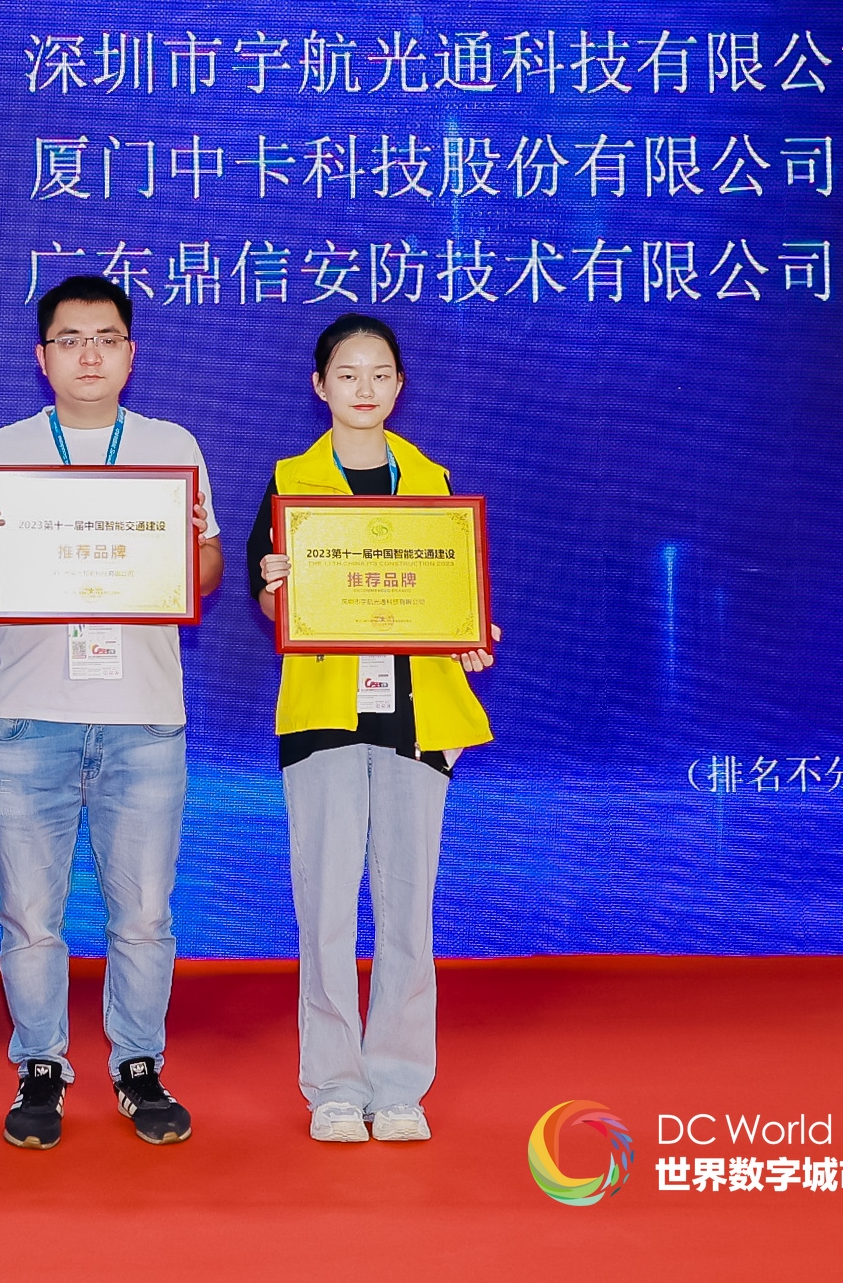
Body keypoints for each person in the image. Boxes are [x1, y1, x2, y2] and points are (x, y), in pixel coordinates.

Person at [0, 274, 223, 1150]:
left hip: (143, 715)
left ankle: (138, 1064)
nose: (89, 354)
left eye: (105, 337)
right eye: (69, 339)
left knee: (142, 914)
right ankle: (40, 1063)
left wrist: (182, 543)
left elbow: (207, 570)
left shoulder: (171, 445)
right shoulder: (1, 450)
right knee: (30, 915)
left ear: (130, 353)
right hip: (29, 714)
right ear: (42, 357)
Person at [250, 314, 500, 1148]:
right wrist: (274, 585)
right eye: (347, 373)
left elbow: (457, 603)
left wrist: (469, 635)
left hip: (414, 718)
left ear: (399, 386)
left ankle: (397, 1084)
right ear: (318, 385)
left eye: (379, 373)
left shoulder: (433, 482)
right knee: (323, 911)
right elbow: (265, 602)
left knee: (405, 911)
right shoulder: (287, 483)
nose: (364, 387)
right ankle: (332, 1085)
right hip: (321, 718)